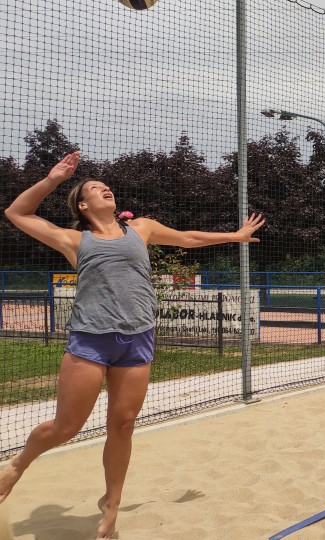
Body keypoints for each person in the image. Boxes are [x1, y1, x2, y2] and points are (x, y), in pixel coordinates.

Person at [0, 151, 265, 539]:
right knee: (66, 426)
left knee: (122, 425)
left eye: (106, 186)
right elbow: (17, 214)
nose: (105, 188)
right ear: (83, 205)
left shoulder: (141, 228)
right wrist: (53, 179)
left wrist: (235, 235)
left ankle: (112, 502)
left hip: (137, 339)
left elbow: (188, 238)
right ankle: (18, 464)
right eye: (94, 188)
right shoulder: (74, 239)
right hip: (91, 340)